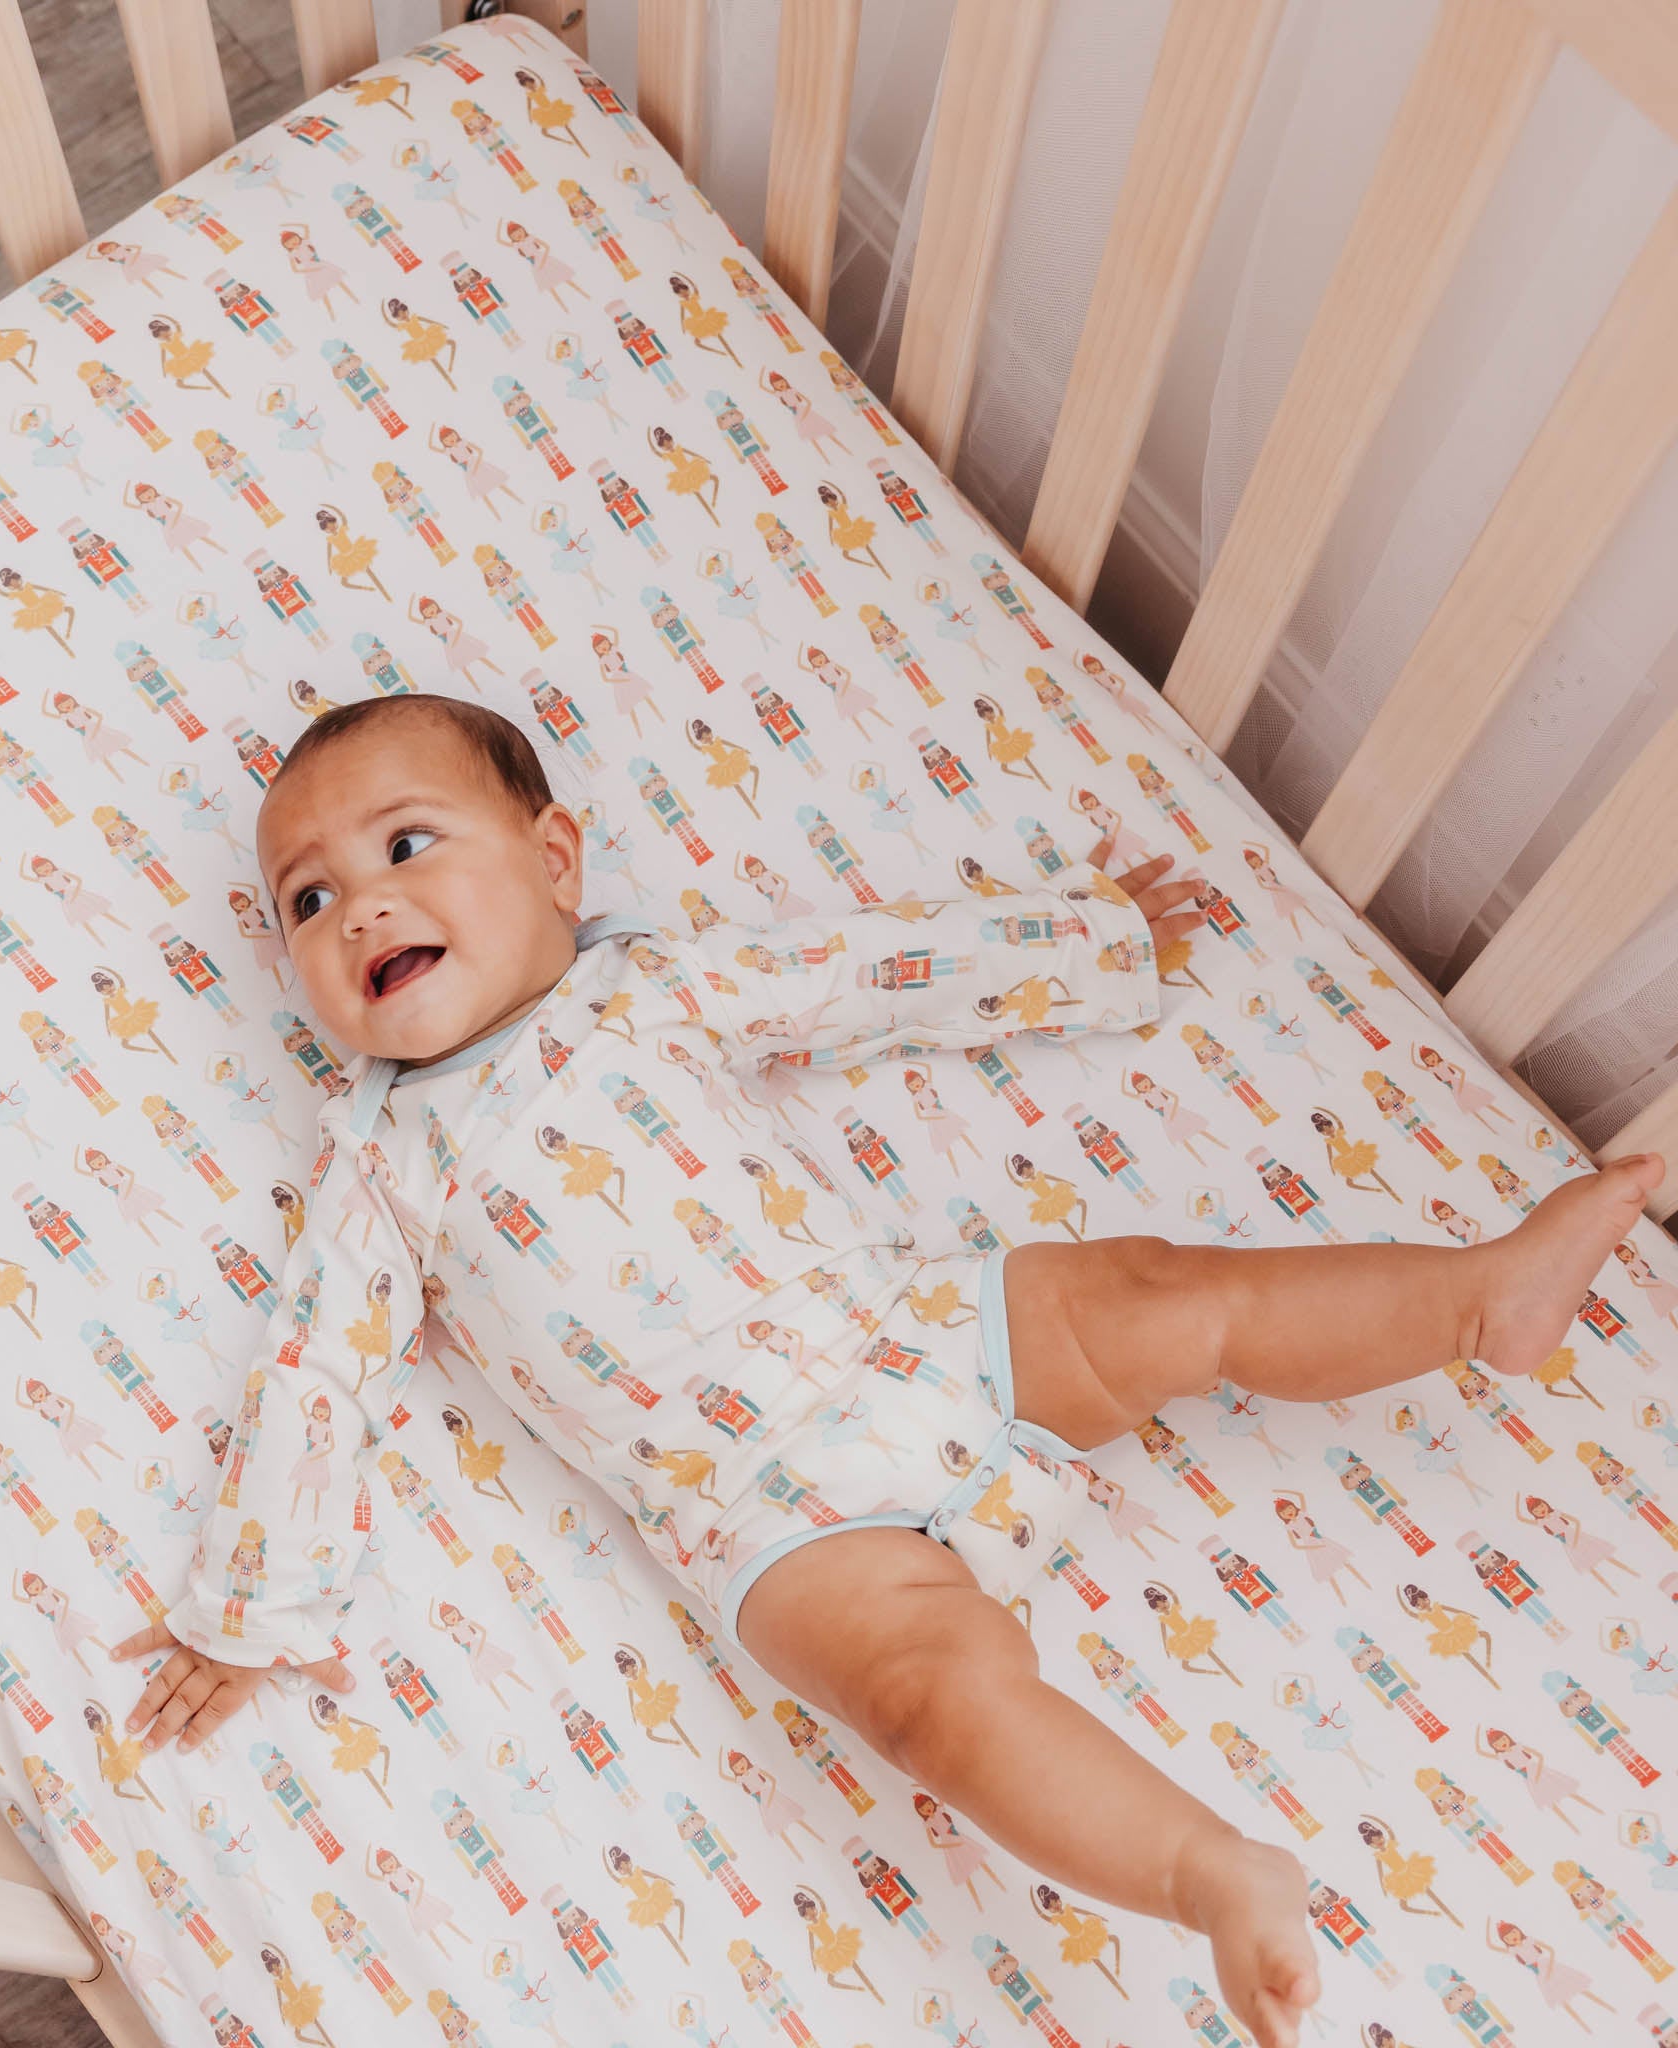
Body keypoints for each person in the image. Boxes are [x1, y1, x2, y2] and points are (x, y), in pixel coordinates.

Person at [115, 691, 1665, 2048]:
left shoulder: (647, 990)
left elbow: (856, 976)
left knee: (1162, 1292)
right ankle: (1207, 1872)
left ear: (557, 863)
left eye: (403, 846)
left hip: (911, 1331)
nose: (361, 910)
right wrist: (250, 1607)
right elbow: (314, 1373)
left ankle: (1477, 1299)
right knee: (927, 1699)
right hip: (762, 1514)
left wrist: (1089, 937)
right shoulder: (383, 1166)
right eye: (307, 900)